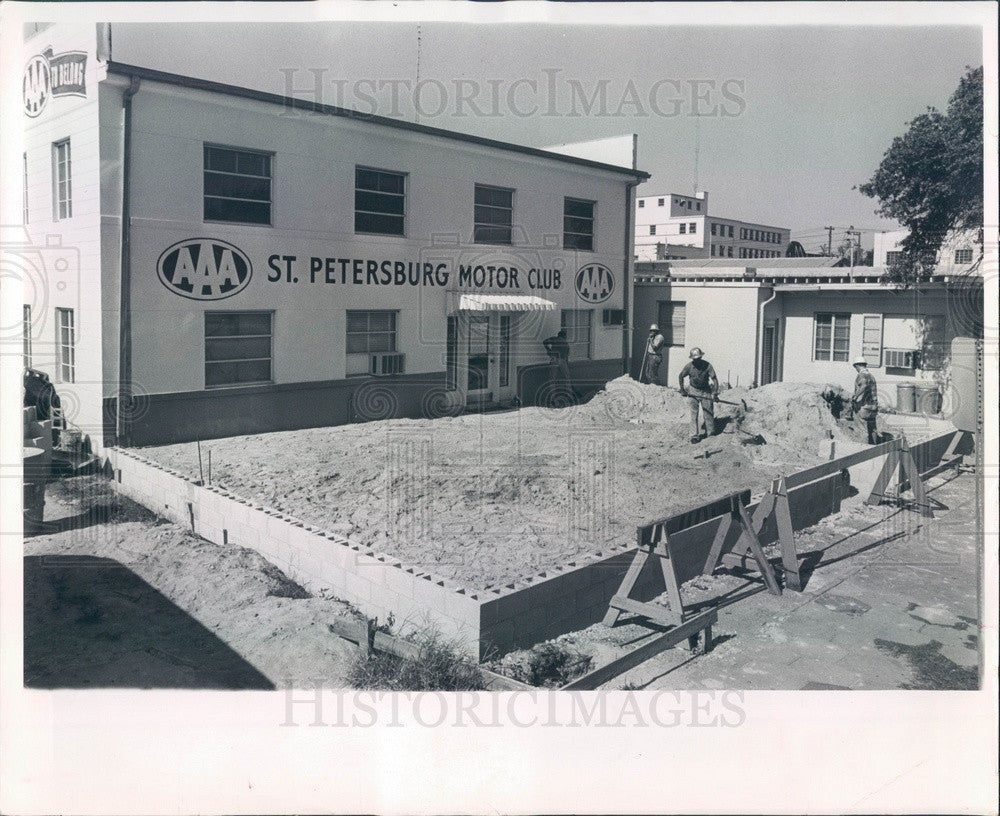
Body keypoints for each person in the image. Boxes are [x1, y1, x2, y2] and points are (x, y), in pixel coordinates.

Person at [678, 347, 719, 443]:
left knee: (708, 412)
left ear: (701, 357)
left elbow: (714, 379)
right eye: (695, 359)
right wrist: (682, 389)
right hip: (693, 391)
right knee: (694, 414)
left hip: (705, 391)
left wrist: (715, 392)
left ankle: (711, 433)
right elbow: (681, 376)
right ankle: (694, 435)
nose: (697, 361)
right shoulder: (689, 366)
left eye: (699, 358)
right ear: (692, 359)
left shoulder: (707, 366)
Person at [851, 356, 879, 444]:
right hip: (873, 407)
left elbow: (864, 385)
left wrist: (855, 397)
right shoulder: (871, 376)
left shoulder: (861, 375)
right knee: (873, 429)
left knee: (861, 429)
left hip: (864, 407)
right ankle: (874, 448)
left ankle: (862, 450)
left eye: (855, 367)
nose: (855, 369)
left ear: (857, 365)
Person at [543, 329, 572, 396]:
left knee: (552, 379)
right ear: (564, 336)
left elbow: (544, 342)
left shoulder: (554, 339)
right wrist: (567, 364)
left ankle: (553, 395)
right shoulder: (566, 344)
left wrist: (548, 349)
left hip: (554, 359)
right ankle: (569, 393)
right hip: (562, 360)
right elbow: (566, 356)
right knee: (566, 378)